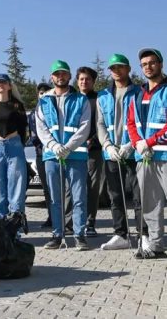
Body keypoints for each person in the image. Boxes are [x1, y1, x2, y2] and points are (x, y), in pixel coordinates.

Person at [127, 48, 167, 263]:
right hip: (144, 157)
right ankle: (157, 245)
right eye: (144, 64)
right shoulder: (137, 95)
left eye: (152, 63)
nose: (148, 67)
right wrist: (137, 144)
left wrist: (149, 142)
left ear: (160, 64)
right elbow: (131, 124)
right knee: (150, 203)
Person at [36, 60, 91, 251]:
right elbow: (41, 128)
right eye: (57, 74)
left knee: (78, 197)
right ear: (52, 77)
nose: (60, 77)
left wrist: (67, 147)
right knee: (55, 198)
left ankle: (79, 234)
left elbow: (85, 127)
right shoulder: (43, 101)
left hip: (75, 155)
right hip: (52, 156)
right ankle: (57, 234)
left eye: (64, 73)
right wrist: (53, 145)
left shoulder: (80, 99)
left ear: (69, 76)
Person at [96, 54, 146, 250]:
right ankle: (121, 234)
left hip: (133, 152)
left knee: (138, 195)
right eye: (113, 68)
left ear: (128, 69)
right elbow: (100, 124)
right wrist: (107, 145)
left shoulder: (139, 92)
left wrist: (130, 145)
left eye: (120, 67)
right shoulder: (103, 95)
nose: (116, 71)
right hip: (111, 154)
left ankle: (143, 234)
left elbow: (142, 122)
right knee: (115, 195)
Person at [61, 67, 103, 237]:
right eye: (81, 79)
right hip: (72, 150)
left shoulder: (98, 99)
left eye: (87, 79)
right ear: (76, 81)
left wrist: (92, 139)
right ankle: (69, 223)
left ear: (93, 82)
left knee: (92, 188)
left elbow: (101, 123)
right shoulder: (70, 99)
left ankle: (89, 223)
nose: (84, 82)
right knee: (70, 188)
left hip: (93, 150)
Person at [0, 73, 28, 219]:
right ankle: (0, 224)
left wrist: (17, 142)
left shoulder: (17, 105)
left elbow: (23, 128)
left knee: (16, 187)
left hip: (14, 146)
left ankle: (15, 226)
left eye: (3, 82)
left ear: (9, 85)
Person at [28, 82, 53, 228]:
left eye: (46, 92)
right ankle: (51, 217)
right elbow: (33, 136)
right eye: (40, 93)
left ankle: (64, 217)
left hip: (55, 153)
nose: (43, 95)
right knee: (47, 189)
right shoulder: (33, 113)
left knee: (59, 189)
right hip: (41, 154)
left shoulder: (55, 110)